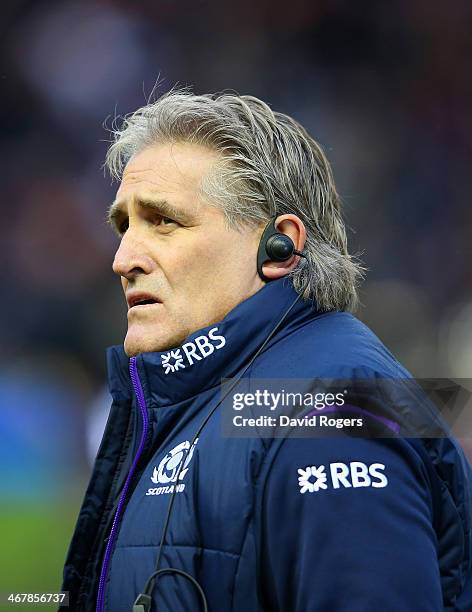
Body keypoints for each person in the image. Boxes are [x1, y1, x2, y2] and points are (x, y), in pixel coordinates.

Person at [62, 90, 472, 611]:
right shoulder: (208, 400)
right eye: (124, 225)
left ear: (279, 247)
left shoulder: (332, 404)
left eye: (163, 220)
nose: (123, 259)